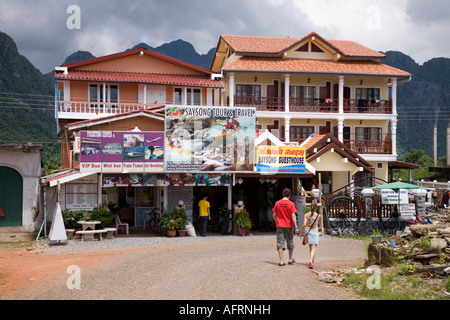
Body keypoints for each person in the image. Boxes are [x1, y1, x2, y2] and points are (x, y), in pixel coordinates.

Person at [272, 188, 298, 266]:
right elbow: (293, 215)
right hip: (288, 225)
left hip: (280, 225)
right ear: (289, 195)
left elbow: (274, 215)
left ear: (283, 194)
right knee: (290, 241)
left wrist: (276, 221)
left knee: (280, 242)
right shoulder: (291, 204)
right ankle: (290, 259)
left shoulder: (277, 203)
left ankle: (281, 261)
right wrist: (296, 226)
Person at [301, 201, 320, 269]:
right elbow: (318, 224)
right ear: (316, 208)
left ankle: (312, 262)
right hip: (315, 232)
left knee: (311, 247)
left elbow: (304, 224)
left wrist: (302, 233)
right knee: (314, 247)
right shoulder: (318, 215)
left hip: (308, 232)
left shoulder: (306, 215)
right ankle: (311, 260)